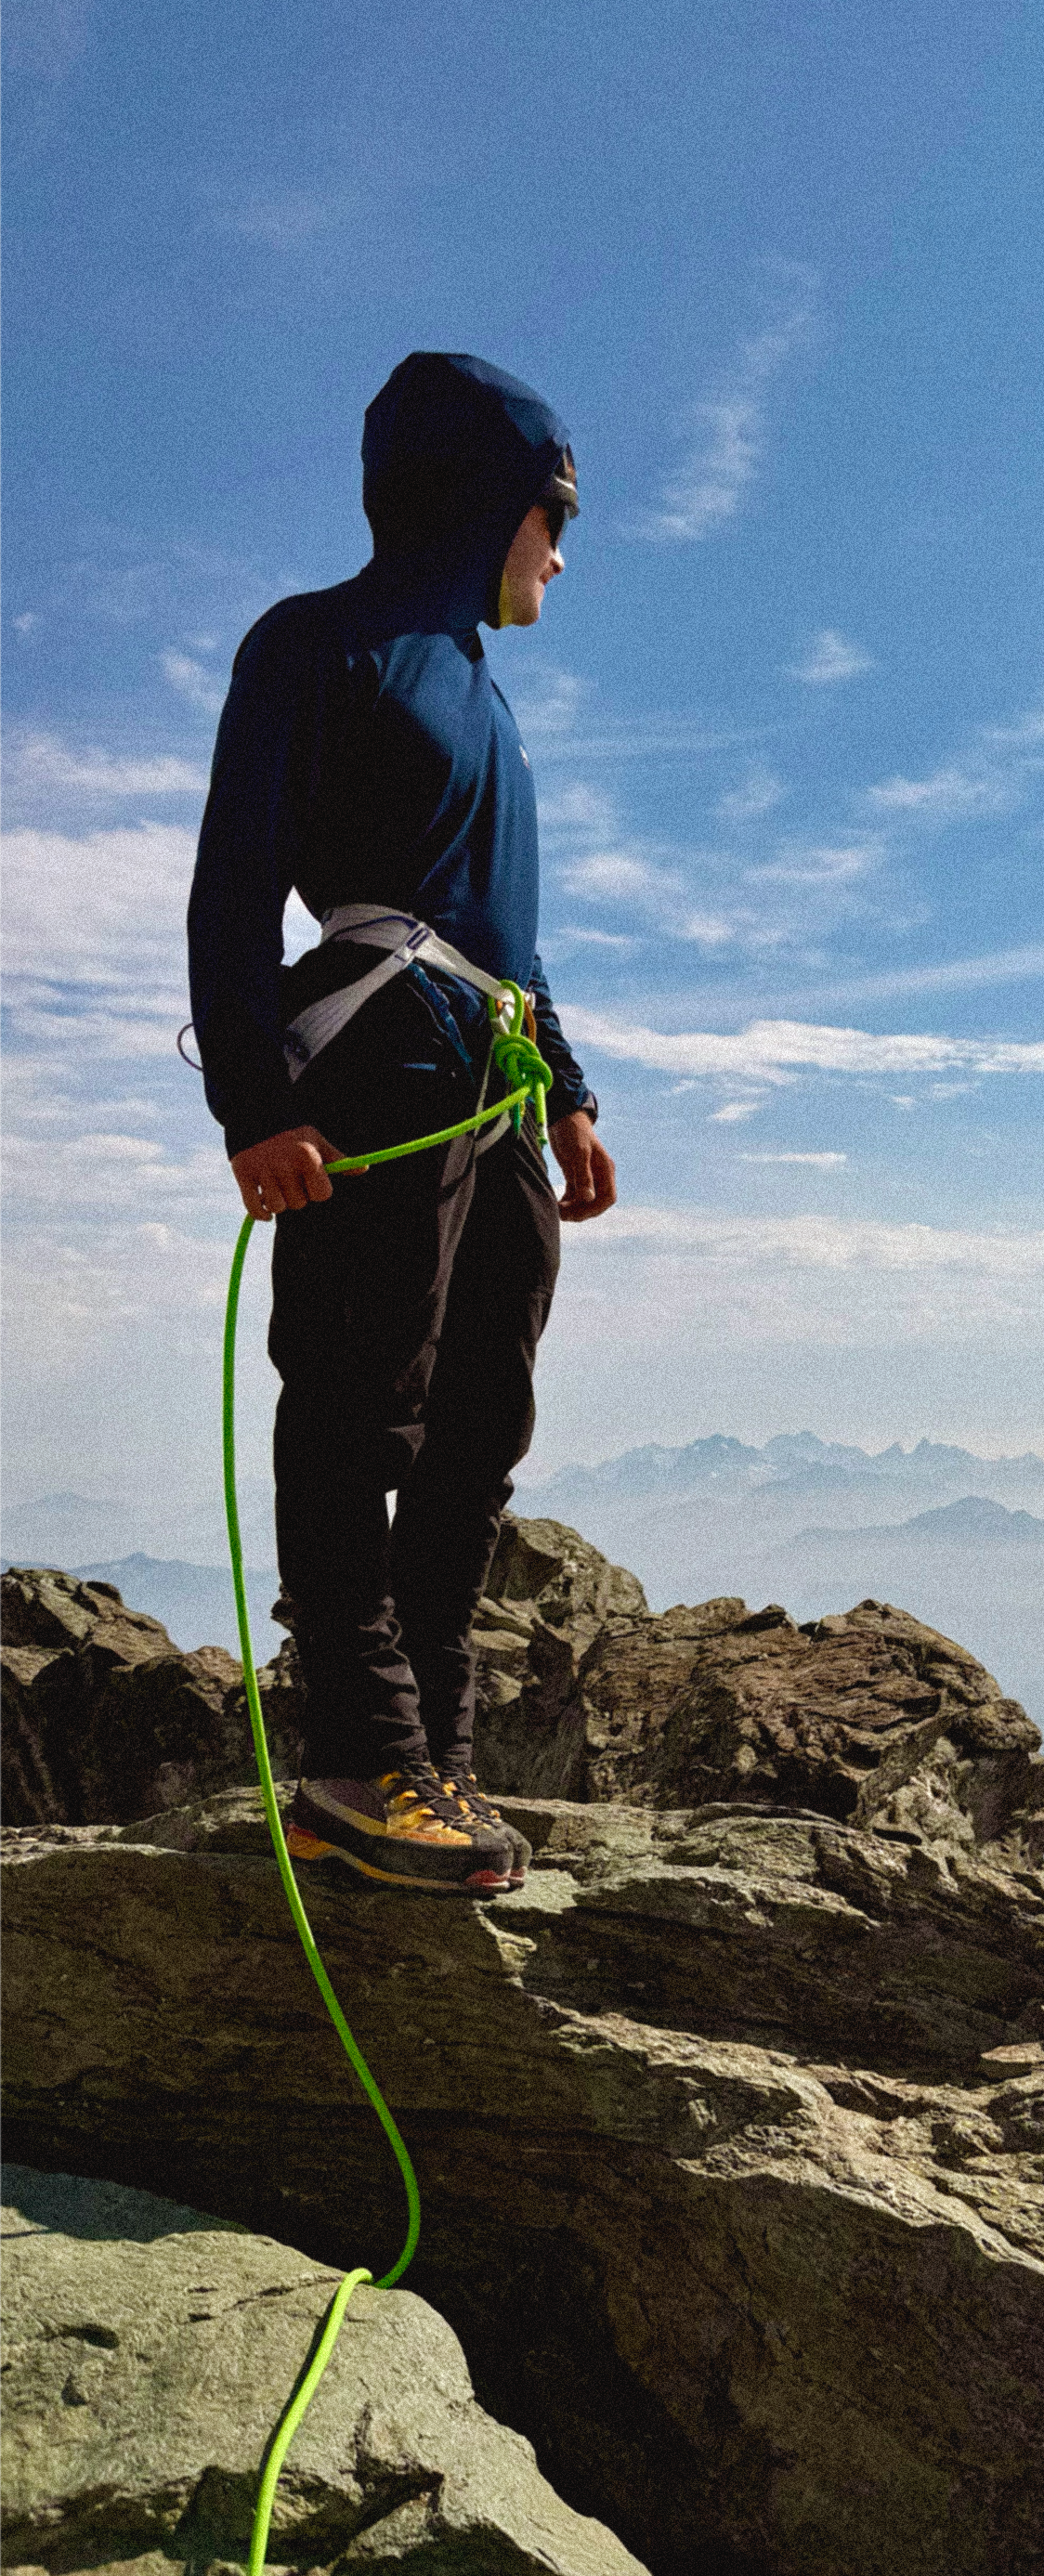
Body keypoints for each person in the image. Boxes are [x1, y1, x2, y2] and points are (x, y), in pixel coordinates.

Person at [187, 350, 616, 1898]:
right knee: (360, 1404)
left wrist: (566, 1090)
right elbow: (236, 885)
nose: (561, 554)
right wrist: (256, 1104)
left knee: (475, 1424)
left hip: (489, 1083)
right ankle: (357, 1766)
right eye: (552, 515)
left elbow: (501, 930)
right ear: (484, 502)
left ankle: (431, 1751)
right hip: (374, 1077)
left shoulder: (480, 698)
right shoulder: (322, 646)